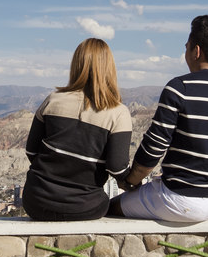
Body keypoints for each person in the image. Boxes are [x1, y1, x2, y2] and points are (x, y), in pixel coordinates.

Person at [110, 15, 208, 222]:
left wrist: (130, 181)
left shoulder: (180, 89)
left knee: (112, 207)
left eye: (186, 47)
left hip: (182, 200)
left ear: (196, 51)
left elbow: (154, 148)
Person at [22, 38, 133, 221]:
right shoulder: (118, 113)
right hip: (85, 206)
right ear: (110, 68)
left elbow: (31, 150)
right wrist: (133, 183)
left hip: (35, 202)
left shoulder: (53, 100)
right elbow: (117, 167)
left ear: (76, 64)